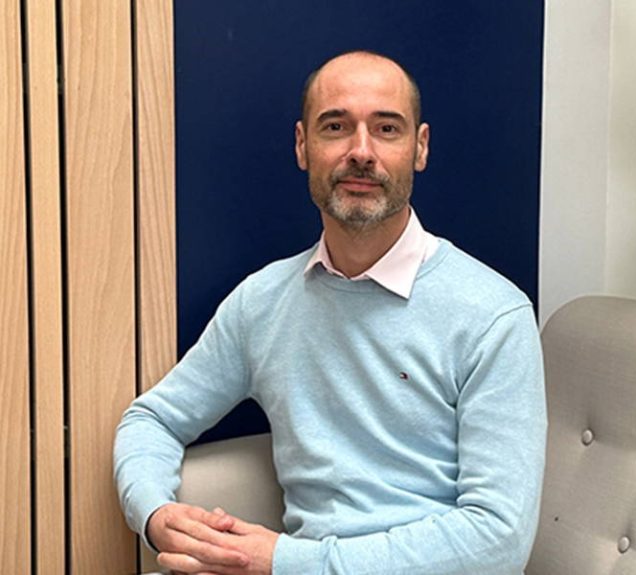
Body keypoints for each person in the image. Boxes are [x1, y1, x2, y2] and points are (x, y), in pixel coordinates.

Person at [114, 50, 547, 575]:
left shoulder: (493, 316)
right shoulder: (263, 303)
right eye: (336, 127)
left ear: (420, 147)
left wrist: (286, 561)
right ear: (303, 145)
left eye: (386, 129)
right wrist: (156, 514)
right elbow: (153, 419)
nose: (361, 152)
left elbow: (499, 541)